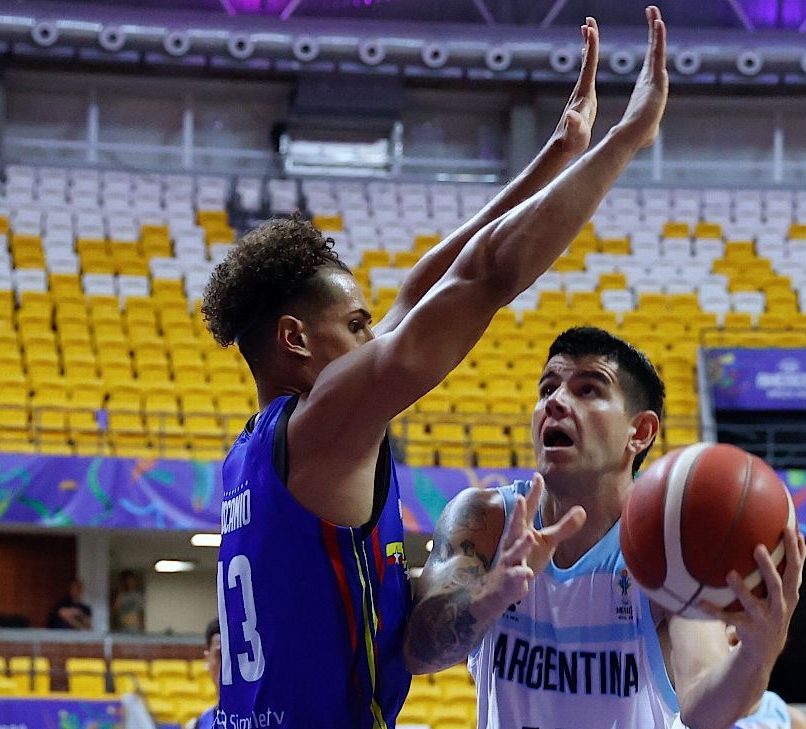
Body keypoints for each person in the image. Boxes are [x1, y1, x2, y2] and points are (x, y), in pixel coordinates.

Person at [203, 8, 669, 726]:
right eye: (356, 327)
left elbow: (422, 286)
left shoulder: (263, 446)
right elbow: (483, 279)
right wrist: (625, 141)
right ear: (296, 340)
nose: (377, 334)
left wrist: (555, 153)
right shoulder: (329, 421)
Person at [405, 327, 806, 729]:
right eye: (547, 390)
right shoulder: (486, 520)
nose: (556, 402)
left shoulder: (670, 543)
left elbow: (703, 708)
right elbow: (419, 654)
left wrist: (759, 651)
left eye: (588, 390)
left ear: (641, 432)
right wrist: (492, 595)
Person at [184, 619, 222, 729]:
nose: (228, 666)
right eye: (221, 654)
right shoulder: (196, 726)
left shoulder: (267, 719)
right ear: (207, 660)